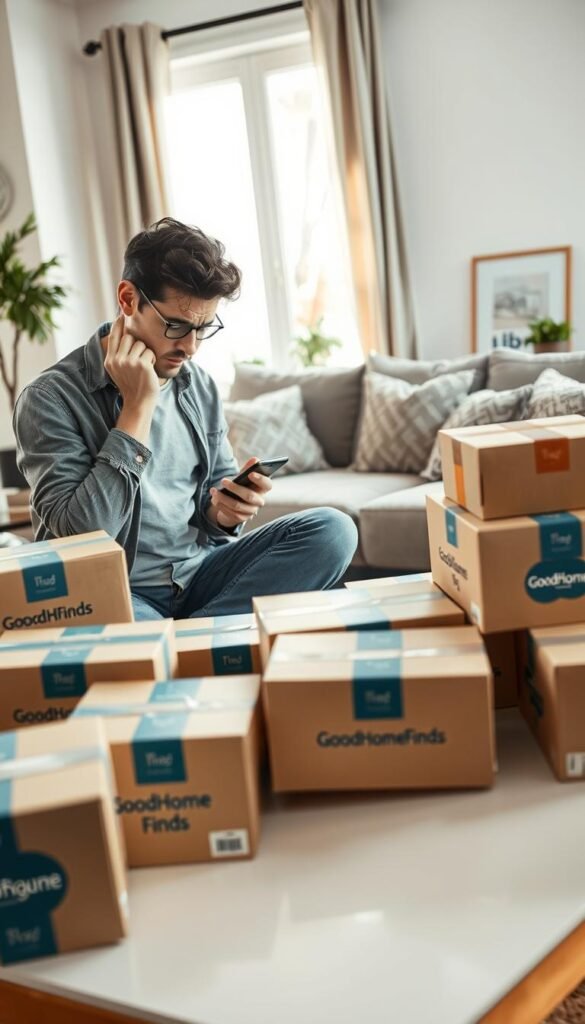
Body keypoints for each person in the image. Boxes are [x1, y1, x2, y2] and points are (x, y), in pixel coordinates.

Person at [14, 218, 357, 620]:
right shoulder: (49, 399)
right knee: (131, 622)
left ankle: (187, 636)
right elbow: (81, 540)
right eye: (176, 326)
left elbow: (215, 495)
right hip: (118, 589)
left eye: (203, 328)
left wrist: (224, 514)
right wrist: (137, 408)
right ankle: (210, 633)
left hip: (199, 575)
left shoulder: (198, 385)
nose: (190, 347)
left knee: (334, 530)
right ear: (128, 299)